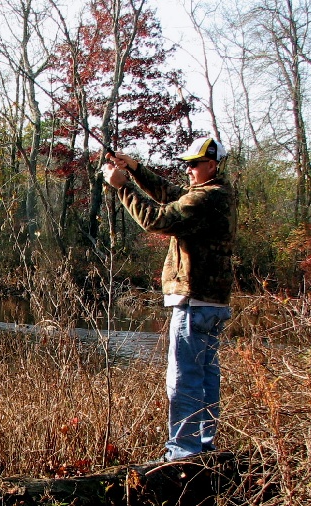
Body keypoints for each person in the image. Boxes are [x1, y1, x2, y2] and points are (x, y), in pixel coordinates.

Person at [101, 137, 237, 461]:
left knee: (183, 378)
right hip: (213, 302)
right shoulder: (218, 195)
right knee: (206, 377)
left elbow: (156, 219)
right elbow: (171, 195)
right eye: (186, 164)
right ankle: (203, 446)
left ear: (212, 165)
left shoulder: (206, 199)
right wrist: (134, 168)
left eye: (194, 164)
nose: (188, 170)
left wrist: (122, 187)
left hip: (194, 301)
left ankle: (182, 453)